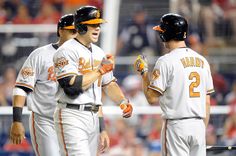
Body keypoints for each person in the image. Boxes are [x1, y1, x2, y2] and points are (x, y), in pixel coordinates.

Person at [53, 6, 133, 156]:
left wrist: (122, 101)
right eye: (93, 25)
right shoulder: (66, 50)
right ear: (81, 26)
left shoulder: (98, 52)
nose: (98, 28)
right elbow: (71, 86)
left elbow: (108, 84)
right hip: (72, 115)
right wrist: (100, 70)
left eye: (99, 25)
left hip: (93, 117)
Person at [134, 13, 214, 156]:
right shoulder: (203, 61)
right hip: (199, 125)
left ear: (166, 34)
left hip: (176, 126)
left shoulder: (166, 61)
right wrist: (202, 130)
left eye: (161, 31)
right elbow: (207, 102)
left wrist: (144, 73)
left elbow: (152, 98)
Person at [9, 14, 77, 156]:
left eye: (77, 31)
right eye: (71, 30)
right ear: (60, 31)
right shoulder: (40, 55)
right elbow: (21, 88)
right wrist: (17, 120)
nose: (74, 35)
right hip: (46, 120)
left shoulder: (83, 57)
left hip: (74, 120)